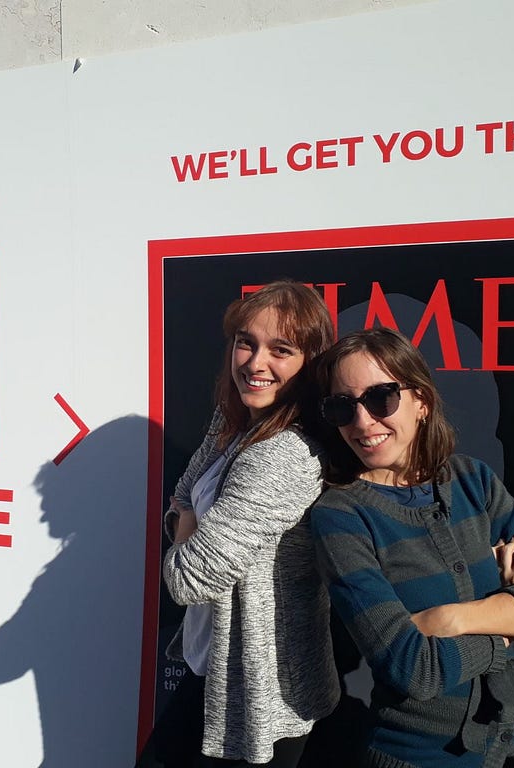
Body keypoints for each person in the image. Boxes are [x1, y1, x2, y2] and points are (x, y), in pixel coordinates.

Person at [311, 327, 514, 768]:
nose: (362, 422)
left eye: (381, 398)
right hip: (417, 756)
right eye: (342, 406)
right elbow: (414, 668)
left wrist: (447, 619)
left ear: (422, 402)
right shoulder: (341, 516)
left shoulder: (473, 480)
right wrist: (508, 624)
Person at [140, 281, 341, 767]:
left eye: (281, 350)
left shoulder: (285, 454)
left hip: (260, 692)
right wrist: (187, 524)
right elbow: (181, 497)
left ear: (311, 364)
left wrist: (186, 529)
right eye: (246, 342)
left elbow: (186, 579)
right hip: (210, 666)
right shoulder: (233, 420)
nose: (254, 363)